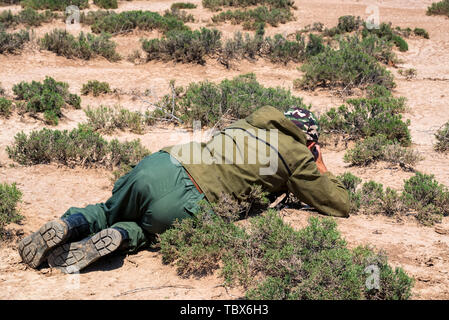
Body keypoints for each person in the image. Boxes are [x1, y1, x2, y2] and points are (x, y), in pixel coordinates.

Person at [18, 106, 350, 273]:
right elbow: (338, 204)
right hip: (188, 197)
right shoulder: (295, 154)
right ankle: (121, 237)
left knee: (106, 209)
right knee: (152, 233)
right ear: (307, 140)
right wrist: (318, 163)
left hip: (161, 163)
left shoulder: (247, 123)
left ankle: (69, 225)